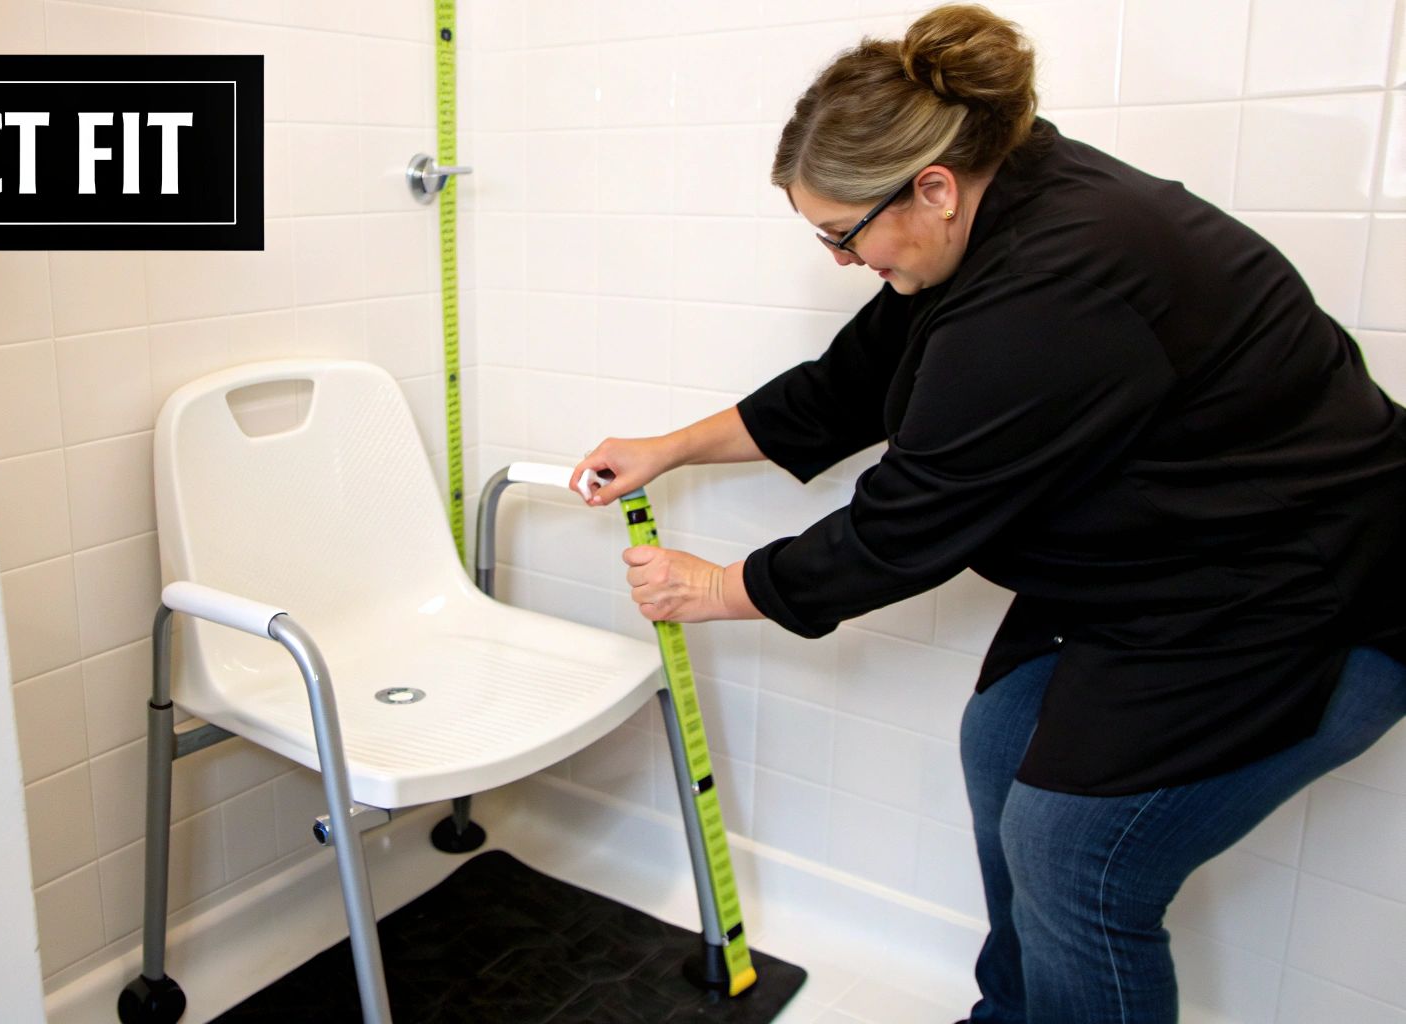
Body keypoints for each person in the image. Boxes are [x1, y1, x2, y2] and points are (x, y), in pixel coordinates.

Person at [568, 5, 1406, 1022]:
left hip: (1307, 591)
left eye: (841, 235)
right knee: (997, 741)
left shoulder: (1056, 279)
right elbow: (844, 387)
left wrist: (721, 587)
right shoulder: (993, 204)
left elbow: (905, 522)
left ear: (929, 185)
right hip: (1165, 573)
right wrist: (667, 447)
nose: (838, 261)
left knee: (1073, 857)